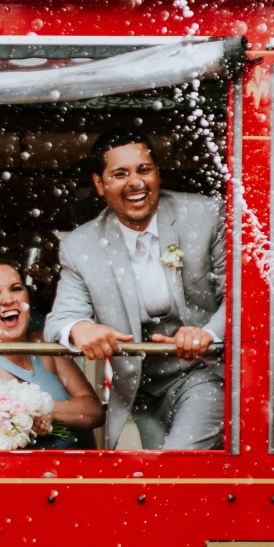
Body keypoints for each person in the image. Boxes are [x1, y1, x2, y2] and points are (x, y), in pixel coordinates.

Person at [44, 129, 226, 450]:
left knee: (177, 465)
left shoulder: (205, 216)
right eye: (120, 174)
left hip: (204, 373)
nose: (136, 182)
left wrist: (208, 334)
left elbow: (242, 297)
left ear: (157, 173)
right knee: (147, 479)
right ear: (100, 185)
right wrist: (79, 327)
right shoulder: (80, 245)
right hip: (138, 389)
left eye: (144, 169)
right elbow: (60, 319)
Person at [0, 262, 104, 449]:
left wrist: (44, 410)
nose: (8, 300)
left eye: (15, 289)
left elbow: (94, 411)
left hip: (82, 472)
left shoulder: (44, 342)